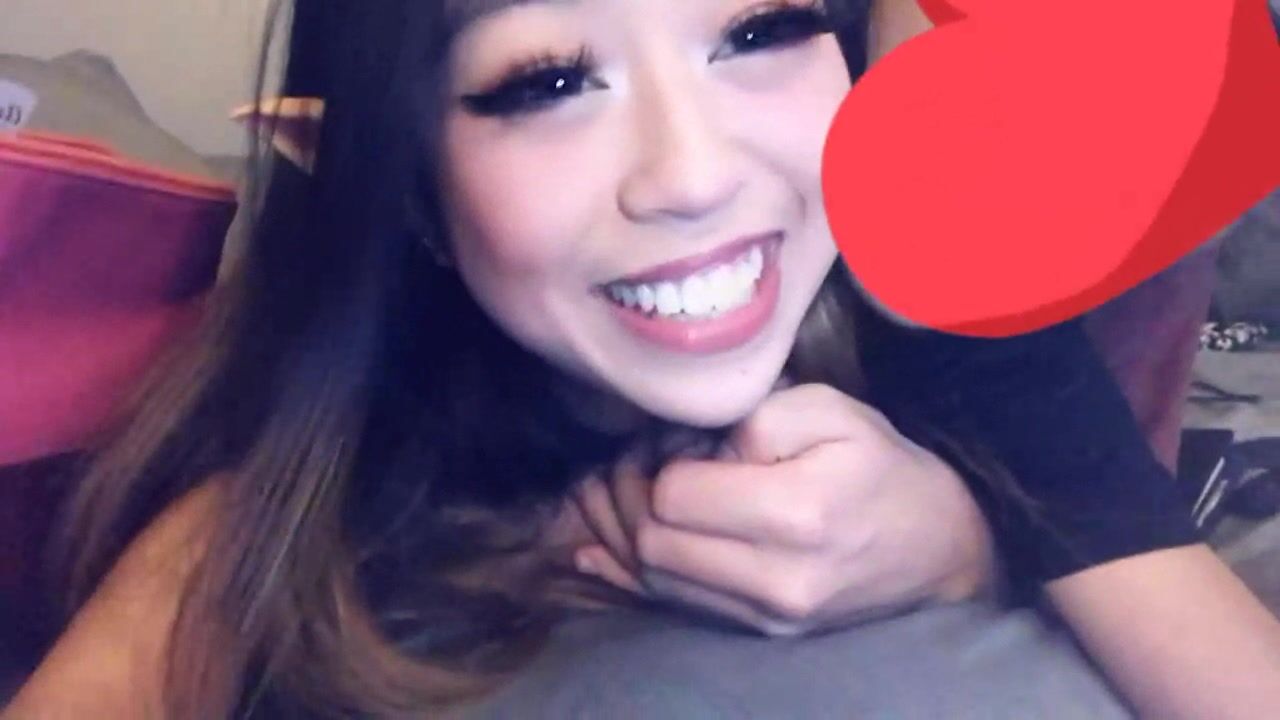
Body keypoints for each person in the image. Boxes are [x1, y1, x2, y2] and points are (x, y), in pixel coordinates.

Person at [6, 0, 1280, 717]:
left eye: (758, 30)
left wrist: (962, 548)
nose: (692, 173)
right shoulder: (283, 486)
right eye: (546, 82)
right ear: (406, 187)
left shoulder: (953, 315)